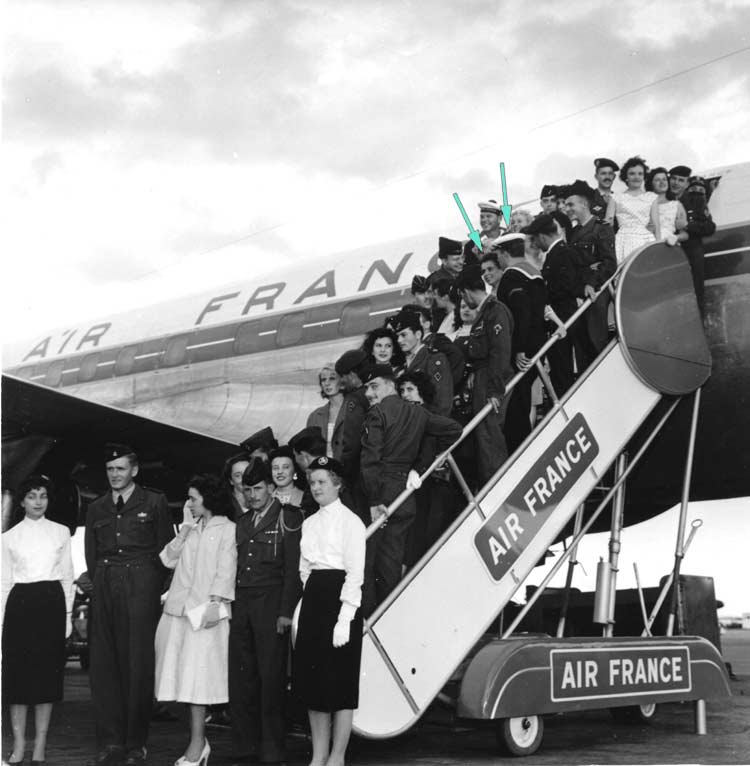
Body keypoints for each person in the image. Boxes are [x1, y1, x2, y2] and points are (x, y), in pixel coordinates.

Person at [85, 444, 173, 766]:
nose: (115, 475)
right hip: (106, 582)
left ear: (134, 470)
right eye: (110, 469)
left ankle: (136, 743)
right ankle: (111, 742)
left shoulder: (154, 501)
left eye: (120, 468)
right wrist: (102, 582)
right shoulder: (97, 507)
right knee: (104, 665)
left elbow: (165, 551)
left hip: (140, 584)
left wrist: (148, 586)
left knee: (138, 665)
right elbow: (91, 553)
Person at [360, 364, 462, 614]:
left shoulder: (378, 413)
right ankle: (389, 616)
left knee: (367, 561)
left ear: (390, 385)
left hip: (380, 491)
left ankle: (368, 620)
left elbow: (370, 460)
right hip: (404, 493)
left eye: (374, 386)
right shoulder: (419, 413)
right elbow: (454, 430)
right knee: (392, 560)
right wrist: (423, 465)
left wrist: (373, 500)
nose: (369, 393)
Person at [154, 475, 236, 766]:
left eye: (193, 498)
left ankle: (198, 744)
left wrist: (215, 603)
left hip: (205, 615)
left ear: (208, 498)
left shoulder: (228, 529)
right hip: (178, 614)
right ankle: (198, 743)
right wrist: (185, 528)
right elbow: (167, 559)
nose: (189, 503)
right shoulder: (191, 527)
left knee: (198, 684)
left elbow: (226, 570)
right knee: (183, 683)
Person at [293, 457, 366, 766]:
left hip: (342, 601)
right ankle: (319, 755)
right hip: (315, 599)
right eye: (312, 482)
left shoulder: (352, 522)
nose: (316, 487)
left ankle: (337, 757)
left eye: (322, 482)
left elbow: (355, 574)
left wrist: (345, 618)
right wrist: (310, 601)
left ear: (338, 484)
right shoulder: (309, 524)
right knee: (314, 683)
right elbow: (304, 569)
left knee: (341, 683)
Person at [229, 459, 302, 765]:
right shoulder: (243, 521)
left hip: (271, 604)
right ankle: (245, 746)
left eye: (258, 489)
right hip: (243, 604)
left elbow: (292, 569)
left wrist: (286, 611)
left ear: (271, 488)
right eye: (247, 490)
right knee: (242, 676)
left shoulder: (288, 517)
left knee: (270, 678)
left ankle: (272, 749)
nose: (253, 495)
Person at [2, 475, 74, 766]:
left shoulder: (61, 532)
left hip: (51, 605)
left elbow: (67, 576)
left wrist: (68, 616)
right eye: (32, 496)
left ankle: (40, 744)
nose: (38, 502)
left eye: (43, 496)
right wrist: (1, 623)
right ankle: (19, 743)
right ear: (21, 501)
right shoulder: (7, 538)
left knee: (46, 678)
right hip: (19, 606)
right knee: (17, 679)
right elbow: (4, 583)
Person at [454, 265, 514, 486]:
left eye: (462, 295)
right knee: (484, 434)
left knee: (489, 434)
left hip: (491, 378)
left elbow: (500, 351)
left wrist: (494, 390)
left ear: (466, 292)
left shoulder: (494, 311)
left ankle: (498, 485)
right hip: (483, 377)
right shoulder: (485, 313)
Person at [494, 234, 547, 452]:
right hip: (538, 343)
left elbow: (521, 312)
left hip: (523, 349)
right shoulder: (534, 273)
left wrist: (519, 349)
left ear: (505, 253)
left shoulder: (512, 276)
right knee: (522, 401)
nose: (498, 259)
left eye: (498, 254)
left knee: (516, 405)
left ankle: (521, 451)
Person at [524, 213, 580, 397]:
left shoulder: (562, 253)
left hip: (563, 318)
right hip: (559, 319)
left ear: (542, 236)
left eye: (535, 239)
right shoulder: (555, 254)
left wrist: (542, 295)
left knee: (562, 371)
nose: (535, 244)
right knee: (559, 370)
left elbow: (566, 286)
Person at [564, 181, 617, 372]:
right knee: (581, 347)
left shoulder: (601, 228)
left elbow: (609, 263)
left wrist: (591, 282)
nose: (567, 209)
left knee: (596, 341)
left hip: (596, 293)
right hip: (578, 293)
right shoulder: (574, 233)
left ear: (584, 204)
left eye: (571, 204)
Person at [392, 310, 453, 416]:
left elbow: (443, 402)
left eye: (403, 335)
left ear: (418, 334)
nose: (399, 340)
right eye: (397, 336)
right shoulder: (403, 365)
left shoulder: (434, 359)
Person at [335, 349, 371, 525]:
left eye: (343, 376)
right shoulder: (374, 392)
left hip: (359, 473)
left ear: (353, 374)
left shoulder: (355, 400)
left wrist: (343, 472)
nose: (341, 381)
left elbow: (352, 441)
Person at [605, 156, 656, 262]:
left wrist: (660, 248)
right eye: (632, 173)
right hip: (623, 240)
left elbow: (655, 226)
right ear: (626, 176)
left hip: (646, 240)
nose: (636, 177)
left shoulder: (651, 197)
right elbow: (608, 223)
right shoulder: (616, 197)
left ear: (644, 176)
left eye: (640, 174)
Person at [680, 176, 716, 315]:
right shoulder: (679, 201)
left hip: (693, 251)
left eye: (701, 190)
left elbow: (709, 227)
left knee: (697, 291)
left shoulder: (700, 204)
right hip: (676, 248)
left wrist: (687, 226)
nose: (697, 193)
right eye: (693, 189)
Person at [307, 364, 345, 459]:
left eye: (332, 378)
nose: (327, 383)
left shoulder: (355, 410)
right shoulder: (315, 416)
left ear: (342, 381)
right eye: (323, 380)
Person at [646, 167, 688, 245]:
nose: (662, 182)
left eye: (664, 179)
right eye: (657, 180)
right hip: (646, 245)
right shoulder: (644, 204)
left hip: (667, 246)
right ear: (651, 183)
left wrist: (676, 237)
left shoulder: (676, 205)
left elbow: (685, 234)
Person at [463, 200, 506, 264]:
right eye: (482, 217)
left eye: (489, 216)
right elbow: (467, 269)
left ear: (499, 218)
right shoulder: (471, 245)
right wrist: (480, 258)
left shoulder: (509, 239)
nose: (484, 220)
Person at [223, 453, 252, 520]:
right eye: (238, 475)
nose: (244, 478)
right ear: (231, 481)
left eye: (248, 473)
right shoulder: (223, 509)